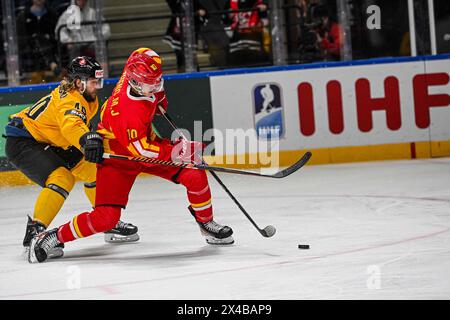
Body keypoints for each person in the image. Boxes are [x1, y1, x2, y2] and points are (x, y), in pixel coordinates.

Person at [28, 48, 234, 264]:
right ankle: (51, 236)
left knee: (194, 174)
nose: (155, 87)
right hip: (118, 158)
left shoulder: (134, 74)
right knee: (105, 218)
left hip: (141, 143)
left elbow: (143, 53)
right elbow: (141, 152)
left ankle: (206, 223)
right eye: (151, 84)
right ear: (135, 83)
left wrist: (159, 95)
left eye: (157, 81)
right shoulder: (126, 112)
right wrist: (179, 151)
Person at [4, 56, 139, 259]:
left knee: (98, 171)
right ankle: (35, 234)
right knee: (62, 179)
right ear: (79, 82)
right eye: (94, 82)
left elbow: (78, 125)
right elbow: (71, 125)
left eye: (98, 81)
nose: (98, 87)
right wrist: (86, 139)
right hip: (24, 141)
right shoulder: (70, 100)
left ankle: (106, 220)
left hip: (54, 141)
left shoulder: (84, 95)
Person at [55, 0, 110, 65]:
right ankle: (75, 73)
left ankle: (101, 72)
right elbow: (59, 30)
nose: (81, 2)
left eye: (83, 0)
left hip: (91, 41)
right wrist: (68, 40)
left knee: (100, 48)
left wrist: (99, 38)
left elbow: (105, 28)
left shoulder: (92, 13)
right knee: (74, 49)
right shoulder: (67, 14)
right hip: (76, 42)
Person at [16, 0, 59, 84]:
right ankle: (51, 63)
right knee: (38, 39)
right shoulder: (23, 16)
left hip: (50, 52)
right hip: (30, 55)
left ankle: (51, 63)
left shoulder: (53, 15)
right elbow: (20, 40)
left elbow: (56, 38)